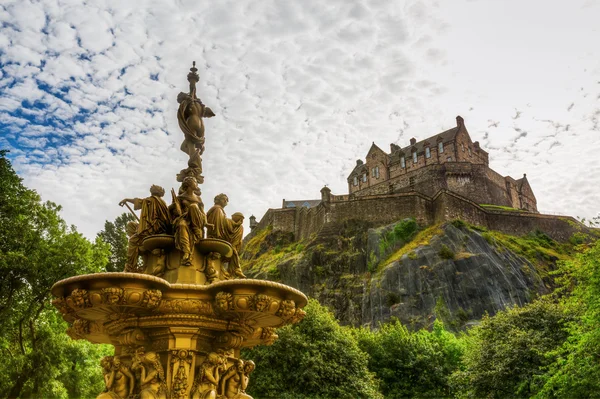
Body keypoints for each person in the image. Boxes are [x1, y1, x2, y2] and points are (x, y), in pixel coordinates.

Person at [119, 185, 170, 271]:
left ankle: (131, 267)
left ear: (155, 191)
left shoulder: (150, 200)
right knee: (132, 225)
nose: (151, 189)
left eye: (153, 189)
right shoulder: (162, 202)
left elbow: (138, 201)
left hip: (151, 229)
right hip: (157, 227)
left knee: (132, 241)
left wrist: (126, 200)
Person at [170, 177, 209, 266]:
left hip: (197, 220)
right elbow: (173, 212)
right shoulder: (180, 197)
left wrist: (206, 223)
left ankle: (196, 229)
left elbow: (203, 213)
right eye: (195, 182)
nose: (197, 184)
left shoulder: (198, 199)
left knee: (193, 206)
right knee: (181, 225)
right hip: (184, 218)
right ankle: (186, 252)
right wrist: (174, 206)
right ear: (189, 184)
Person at [206, 194, 245, 278]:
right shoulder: (217, 209)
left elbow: (224, 222)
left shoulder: (220, 210)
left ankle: (235, 270)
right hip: (216, 235)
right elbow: (219, 224)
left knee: (240, 228)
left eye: (227, 200)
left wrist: (236, 224)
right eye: (224, 199)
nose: (226, 202)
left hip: (221, 233)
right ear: (218, 200)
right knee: (233, 249)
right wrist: (235, 224)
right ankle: (235, 270)